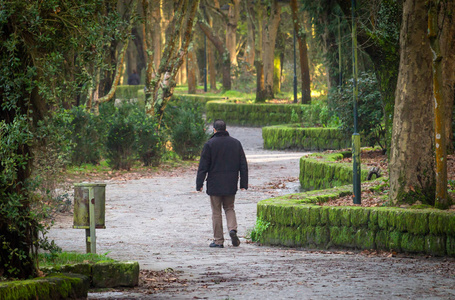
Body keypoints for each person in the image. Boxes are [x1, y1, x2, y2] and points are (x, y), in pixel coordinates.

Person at [196, 119, 248, 248]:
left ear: (214, 130)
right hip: (231, 182)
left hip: (214, 183)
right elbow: (243, 165)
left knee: (216, 212)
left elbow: (203, 166)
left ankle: (218, 240)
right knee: (229, 208)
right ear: (225, 129)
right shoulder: (236, 143)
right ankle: (232, 229)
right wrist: (243, 183)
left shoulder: (209, 144)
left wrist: (199, 183)